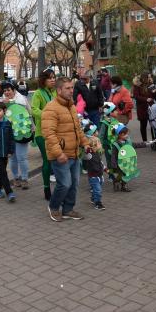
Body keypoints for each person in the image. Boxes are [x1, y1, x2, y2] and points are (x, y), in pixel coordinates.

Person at [42, 77, 90, 222]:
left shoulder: (71, 106)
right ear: (59, 90)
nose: (71, 91)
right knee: (64, 184)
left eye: (72, 88)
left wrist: (85, 143)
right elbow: (49, 134)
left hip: (74, 153)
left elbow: (78, 129)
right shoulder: (50, 108)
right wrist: (58, 153)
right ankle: (54, 207)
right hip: (61, 155)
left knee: (74, 184)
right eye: (67, 88)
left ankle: (68, 209)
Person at [0, 82, 34, 189]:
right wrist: (3, 105)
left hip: (21, 132)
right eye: (5, 91)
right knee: (13, 158)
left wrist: (32, 127)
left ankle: (24, 179)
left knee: (22, 157)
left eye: (9, 90)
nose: (7, 92)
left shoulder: (22, 100)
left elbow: (29, 114)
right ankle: (16, 178)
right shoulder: (1, 102)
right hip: (8, 134)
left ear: (14, 90)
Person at [31, 69, 57, 201]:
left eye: (54, 77)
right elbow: (34, 110)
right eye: (50, 78)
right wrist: (47, 115)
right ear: (43, 80)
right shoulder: (38, 93)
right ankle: (47, 188)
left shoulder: (56, 92)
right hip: (42, 133)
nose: (53, 80)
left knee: (55, 159)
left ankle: (59, 185)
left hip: (56, 132)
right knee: (47, 160)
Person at [82, 123, 106, 210]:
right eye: (99, 143)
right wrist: (89, 148)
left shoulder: (97, 154)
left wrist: (105, 169)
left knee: (96, 188)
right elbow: (85, 153)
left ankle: (93, 198)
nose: (100, 145)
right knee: (98, 190)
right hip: (93, 175)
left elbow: (100, 162)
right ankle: (98, 203)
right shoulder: (89, 154)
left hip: (99, 173)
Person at [109, 123, 138, 192]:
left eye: (127, 134)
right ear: (119, 135)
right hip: (119, 163)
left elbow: (134, 145)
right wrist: (114, 164)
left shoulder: (127, 141)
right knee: (121, 174)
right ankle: (116, 181)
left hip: (127, 162)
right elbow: (113, 155)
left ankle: (123, 186)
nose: (127, 135)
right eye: (125, 134)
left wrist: (145, 144)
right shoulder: (115, 144)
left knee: (126, 174)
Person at [132, 72, 156, 143]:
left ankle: (154, 139)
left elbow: (154, 94)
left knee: (153, 124)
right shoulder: (137, 86)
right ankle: (144, 140)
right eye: (148, 77)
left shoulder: (151, 84)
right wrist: (146, 99)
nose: (149, 78)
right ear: (144, 78)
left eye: (150, 77)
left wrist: (154, 92)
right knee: (143, 124)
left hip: (151, 107)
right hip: (142, 108)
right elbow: (136, 96)